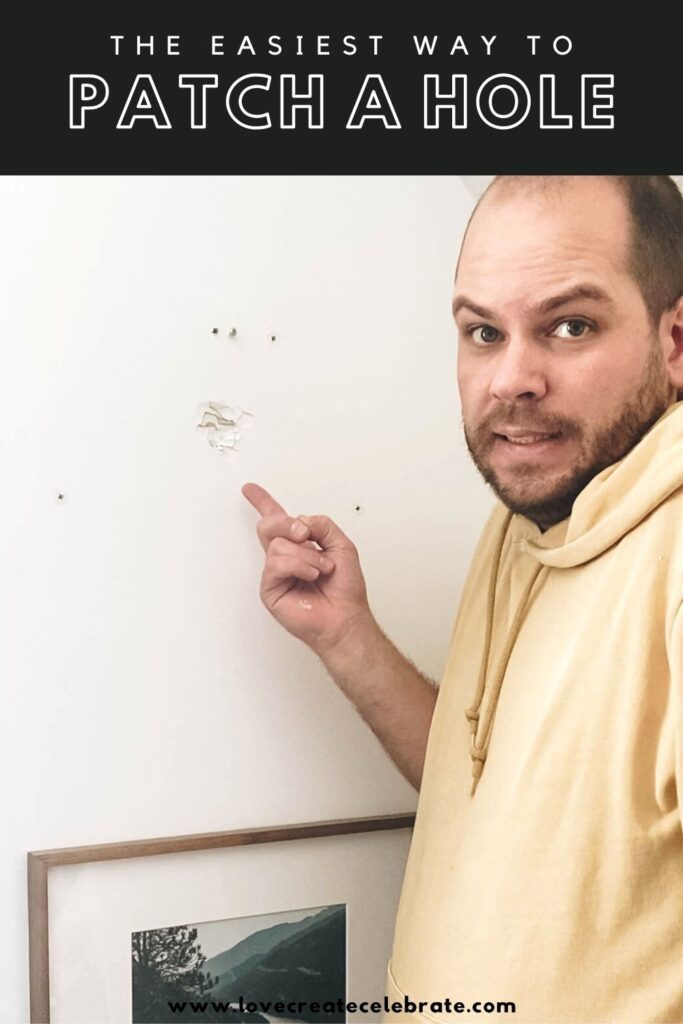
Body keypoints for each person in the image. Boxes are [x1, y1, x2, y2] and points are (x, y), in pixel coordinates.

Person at [242, 175, 683, 1024]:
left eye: (570, 325)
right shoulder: (536, 504)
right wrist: (349, 638)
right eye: (483, 331)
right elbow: (482, 795)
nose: (509, 379)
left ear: (674, 342)